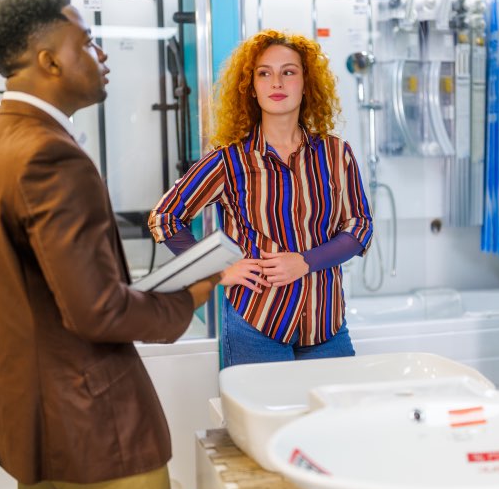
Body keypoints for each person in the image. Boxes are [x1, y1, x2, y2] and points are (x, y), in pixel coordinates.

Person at [0, 0, 218, 489]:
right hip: (97, 432)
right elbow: (97, 311)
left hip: (29, 430)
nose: (101, 56)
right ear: (49, 61)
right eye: (89, 42)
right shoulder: (51, 155)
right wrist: (194, 293)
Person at [149, 29, 373, 368]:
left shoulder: (336, 154)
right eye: (264, 73)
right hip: (256, 325)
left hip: (326, 324)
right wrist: (219, 270)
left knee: (334, 420)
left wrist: (306, 261)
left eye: (289, 72)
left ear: (305, 82)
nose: (277, 83)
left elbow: (360, 227)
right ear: (251, 88)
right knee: (261, 422)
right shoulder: (228, 161)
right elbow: (164, 218)